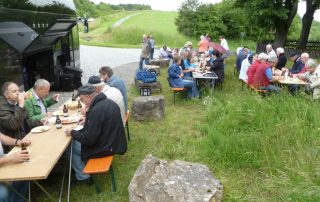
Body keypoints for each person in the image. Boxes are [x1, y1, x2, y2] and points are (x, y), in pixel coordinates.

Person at [64, 85, 127, 162]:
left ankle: (82, 174)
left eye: (82, 99)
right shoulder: (109, 102)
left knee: (70, 147)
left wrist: (72, 132)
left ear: (88, 96)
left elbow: (89, 140)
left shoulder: (96, 110)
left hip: (105, 148)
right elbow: (103, 122)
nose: (82, 102)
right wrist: (88, 120)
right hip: (114, 143)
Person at [0, 133, 31, 202]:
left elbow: (1, 136)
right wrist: (9, 158)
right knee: (2, 194)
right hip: (3, 159)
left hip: (2, 157)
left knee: (25, 169)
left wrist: (18, 142)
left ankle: (16, 199)